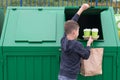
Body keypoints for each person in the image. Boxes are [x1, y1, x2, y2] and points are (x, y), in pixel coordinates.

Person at [58, 4, 94, 80]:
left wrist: (81, 9)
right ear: (74, 32)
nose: (78, 32)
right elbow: (86, 55)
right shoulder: (77, 45)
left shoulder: (63, 40)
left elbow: (72, 22)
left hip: (62, 75)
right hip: (71, 77)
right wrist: (88, 44)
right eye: (78, 30)